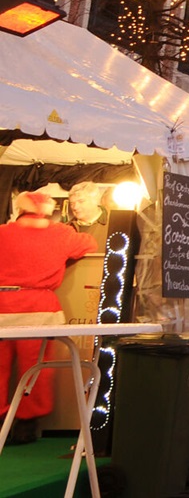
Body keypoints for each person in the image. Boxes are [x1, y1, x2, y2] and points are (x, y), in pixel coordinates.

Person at [0, 190, 96, 444]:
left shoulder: (2, 233)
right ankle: (26, 425)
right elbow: (90, 244)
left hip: (2, 305)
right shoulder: (60, 234)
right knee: (36, 369)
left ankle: (1, 420)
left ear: (19, 210)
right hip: (40, 308)